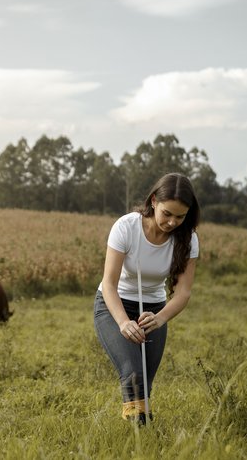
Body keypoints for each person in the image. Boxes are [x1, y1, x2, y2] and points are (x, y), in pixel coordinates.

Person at [94, 173, 200, 424]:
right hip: (114, 304)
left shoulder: (189, 239)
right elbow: (109, 284)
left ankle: (141, 437)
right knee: (133, 375)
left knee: (144, 383)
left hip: (153, 310)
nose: (173, 222)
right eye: (167, 213)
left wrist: (160, 318)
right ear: (154, 201)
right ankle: (142, 434)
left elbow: (183, 292)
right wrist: (123, 322)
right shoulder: (126, 227)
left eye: (180, 216)